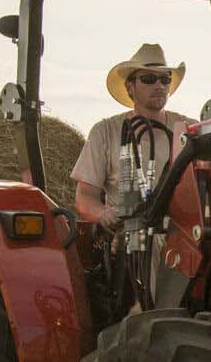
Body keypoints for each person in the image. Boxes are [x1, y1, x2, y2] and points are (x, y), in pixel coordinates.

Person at [72, 43, 192, 229]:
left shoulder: (189, 130)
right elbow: (85, 196)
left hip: (181, 239)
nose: (159, 85)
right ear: (130, 87)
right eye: (149, 79)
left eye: (165, 79)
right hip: (127, 242)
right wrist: (104, 214)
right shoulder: (105, 132)